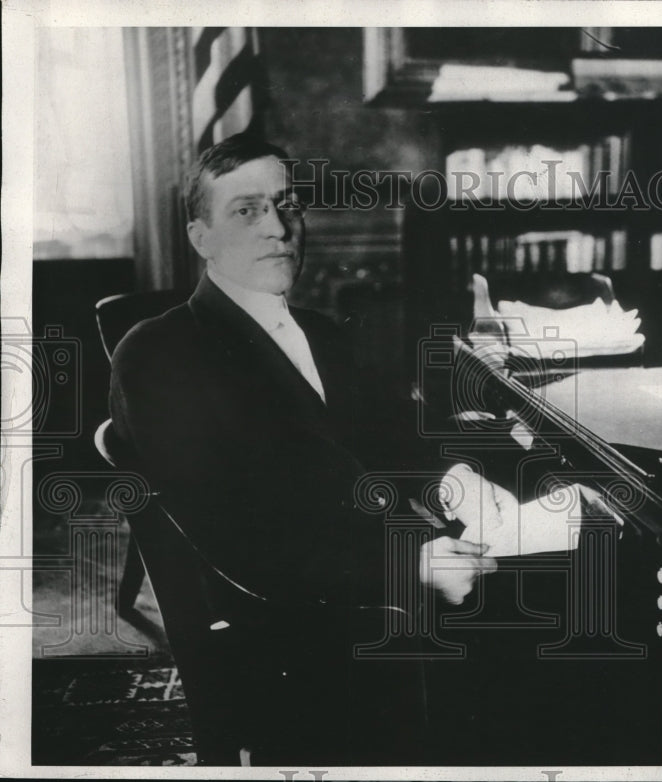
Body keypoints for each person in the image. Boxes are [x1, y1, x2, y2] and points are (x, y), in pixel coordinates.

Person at [108, 133, 504, 762]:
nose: (277, 227)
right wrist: (412, 565)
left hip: (367, 578)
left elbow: (394, 440)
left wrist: (456, 480)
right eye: (246, 210)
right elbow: (234, 535)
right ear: (201, 238)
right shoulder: (159, 353)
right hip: (289, 627)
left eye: (287, 205)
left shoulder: (322, 331)